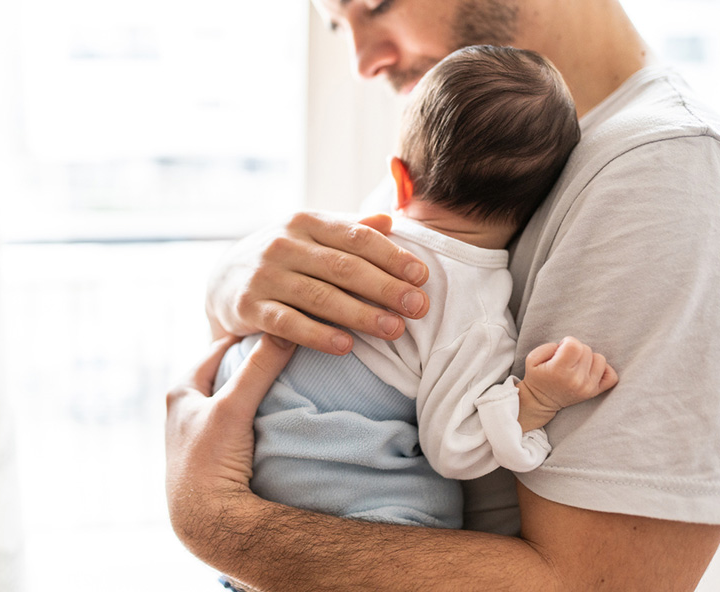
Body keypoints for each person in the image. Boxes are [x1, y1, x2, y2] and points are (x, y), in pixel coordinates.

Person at [166, 1, 720, 592]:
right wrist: (230, 282)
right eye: (335, 24)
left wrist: (212, 520)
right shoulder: (475, 139)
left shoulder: (662, 176)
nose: (361, 61)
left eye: (376, 4)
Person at [214, 45, 616, 541]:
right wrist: (535, 400)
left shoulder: (348, 238)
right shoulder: (475, 314)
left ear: (400, 179)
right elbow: (457, 448)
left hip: (245, 458)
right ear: (537, 207)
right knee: (431, 514)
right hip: (339, 502)